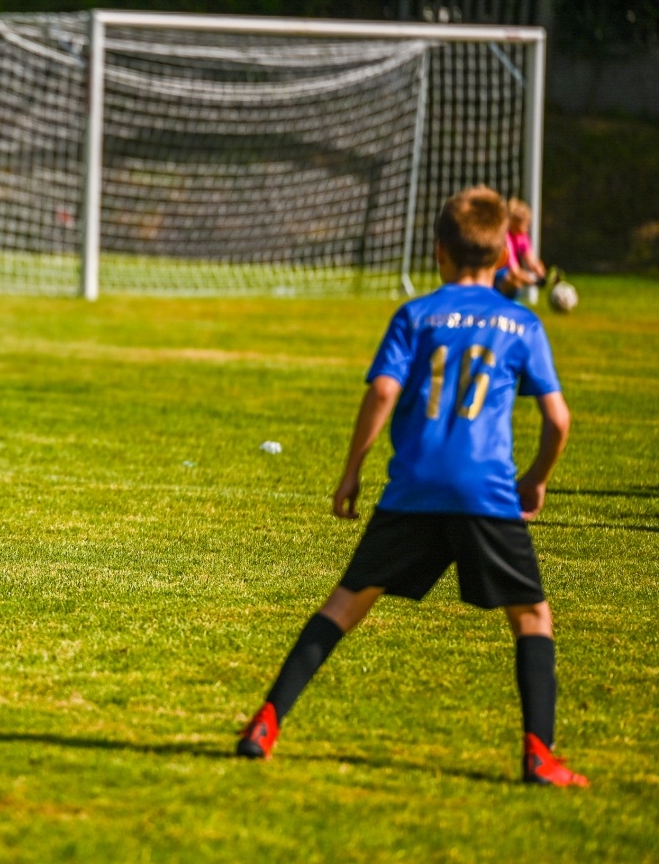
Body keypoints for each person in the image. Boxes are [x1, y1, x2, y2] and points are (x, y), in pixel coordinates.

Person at [235, 186, 586, 787]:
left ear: (438, 254)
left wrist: (352, 471)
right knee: (531, 617)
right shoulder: (520, 323)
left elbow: (382, 392)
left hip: (414, 490)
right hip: (485, 494)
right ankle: (539, 754)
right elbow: (558, 419)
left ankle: (265, 721)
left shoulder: (416, 315)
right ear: (505, 256)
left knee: (345, 605)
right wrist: (535, 480)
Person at [495, 198, 547, 299]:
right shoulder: (506, 238)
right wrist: (534, 281)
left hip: (509, 272)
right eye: (526, 223)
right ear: (515, 223)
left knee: (516, 281)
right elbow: (514, 271)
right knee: (513, 280)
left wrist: (542, 274)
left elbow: (532, 260)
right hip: (498, 272)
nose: (528, 227)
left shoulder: (522, 237)